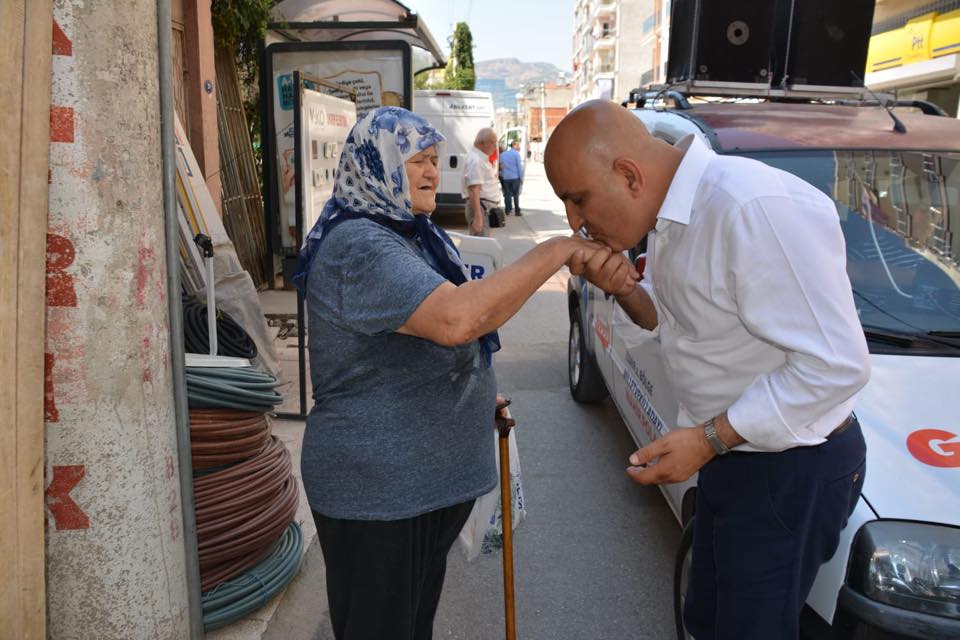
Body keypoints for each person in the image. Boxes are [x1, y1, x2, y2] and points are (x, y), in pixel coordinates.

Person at [544, 100, 871, 640]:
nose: (574, 222)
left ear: (628, 175)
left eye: (577, 200)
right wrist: (624, 288)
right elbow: (677, 323)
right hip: (736, 457)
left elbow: (836, 367)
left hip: (789, 468)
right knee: (707, 620)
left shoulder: (749, 207)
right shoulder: (677, 215)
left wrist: (710, 437)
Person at [292, 107, 601, 640]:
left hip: (419, 491)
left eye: (436, 160)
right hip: (381, 495)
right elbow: (459, 318)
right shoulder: (359, 245)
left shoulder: (412, 234)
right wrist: (556, 250)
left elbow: (421, 340)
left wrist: (476, 395)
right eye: (416, 161)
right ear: (377, 163)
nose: (434, 172)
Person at [463, 127, 502, 236]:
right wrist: (478, 216)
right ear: (481, 143)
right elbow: (474, 189)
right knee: (480, 246)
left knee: (483, 244)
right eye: (493, 143)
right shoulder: (476, 160)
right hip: (481, 207)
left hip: (484, 208)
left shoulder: (479, 158)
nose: (495, 147)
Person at [500, 140, 524, 215]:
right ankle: (517, 211)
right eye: (518, 145)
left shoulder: (503, 154)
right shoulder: (517, 154)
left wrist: (503, 175)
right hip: (515, 177)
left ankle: (507, 210)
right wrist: (521, 178)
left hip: (506, 177)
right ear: (514, 145)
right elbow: (519, 167)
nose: (519, 147)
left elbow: (501, 166)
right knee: (516, 194)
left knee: (507, 194)